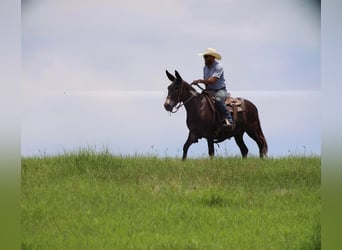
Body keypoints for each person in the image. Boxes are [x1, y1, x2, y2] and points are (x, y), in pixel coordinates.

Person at [191, 48, 233, 127]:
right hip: (210, 90)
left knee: (218, 100)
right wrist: (206, 90)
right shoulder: (205, 68)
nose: (205, 59)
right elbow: (206, 81)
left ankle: (229, 120)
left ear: (212, 57)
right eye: (204, 57)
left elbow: (212, 80)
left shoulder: (218, 67)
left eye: (207, 57)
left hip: (220, 90)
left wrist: (199, 81)